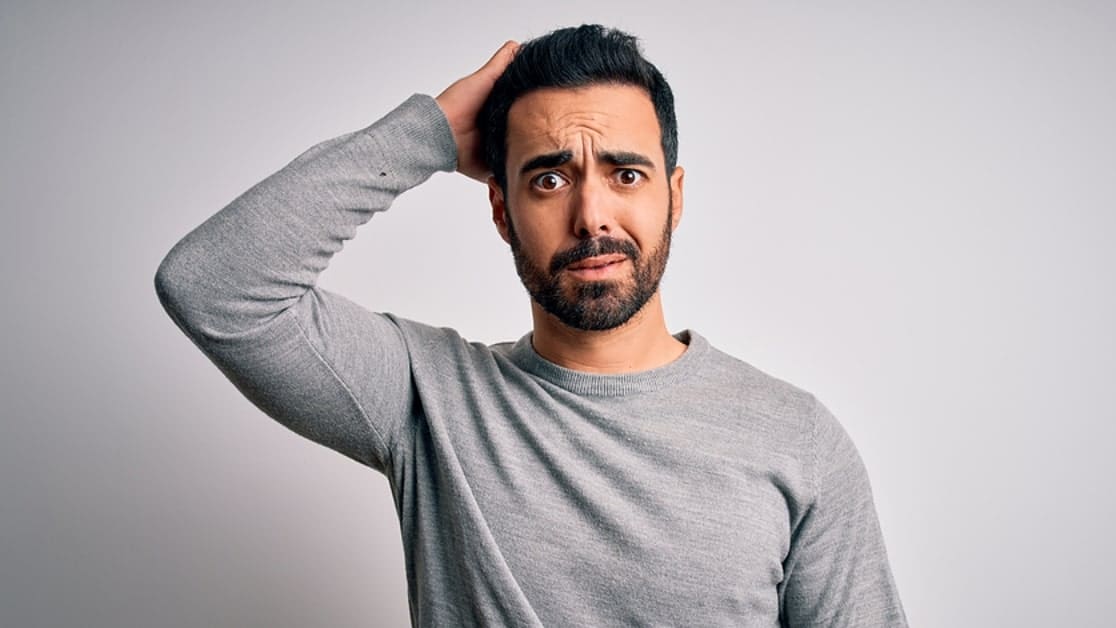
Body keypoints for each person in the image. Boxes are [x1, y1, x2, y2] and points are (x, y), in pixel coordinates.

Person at [155, 24, 907, 627]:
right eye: (548, 178)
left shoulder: (796, 438)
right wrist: (428, 134)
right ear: (500, 210)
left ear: (674, 197)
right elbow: (214, 285)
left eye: (626, 173)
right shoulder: (427, 400)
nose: (591, 216)